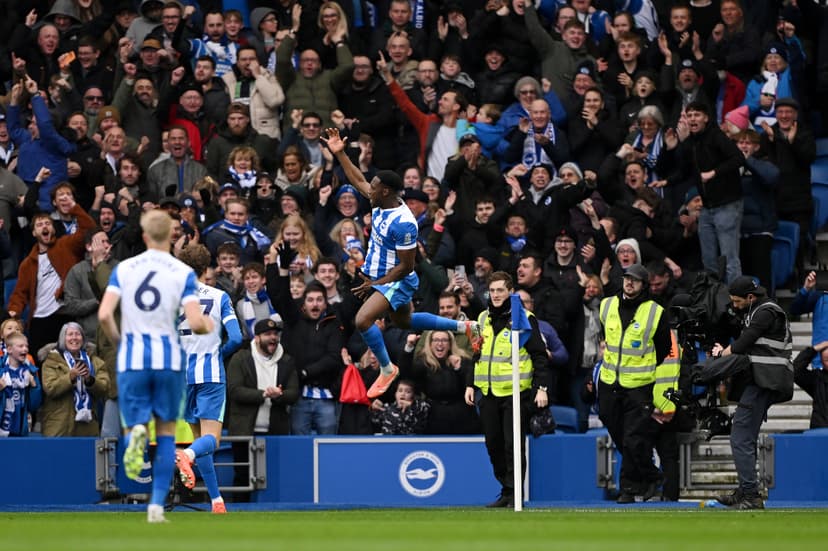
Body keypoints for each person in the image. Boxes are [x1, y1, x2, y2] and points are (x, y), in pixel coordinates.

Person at [322, 128, 481, 400]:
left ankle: (387, 368)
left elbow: (407, 266)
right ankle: (464, 327)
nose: (367, 189)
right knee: (405, 321)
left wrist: (375, 283)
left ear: (385, 191)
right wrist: (340, 154)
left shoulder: (404, 222)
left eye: (373, 187)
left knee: (363, 320)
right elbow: (359, 179)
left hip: (396, 279)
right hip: (382, 276)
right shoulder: (379, 200)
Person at [97, 209, 214, 524]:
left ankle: (135, 431)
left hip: (133, 357)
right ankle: (156, 507)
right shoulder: (182, 272)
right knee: (165, 435)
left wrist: (121, 342)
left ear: (145, 236)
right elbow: (194, 321)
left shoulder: (125, 269)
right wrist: (207, 325)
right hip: (168, 360)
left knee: (136, 424)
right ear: (171, 236)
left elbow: (105, 314)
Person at [465, 271, 549, 507]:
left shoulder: (525, 318)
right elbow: (476, 352)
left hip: (515, 392)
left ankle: (515, 494)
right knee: (493, 444)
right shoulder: (482, 318)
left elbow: (539, 356)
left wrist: (541, 388)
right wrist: (470, 384)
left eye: (500, 290)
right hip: (488, 392)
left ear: (511, 292)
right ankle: (506, 488)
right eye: (492, 291)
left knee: (513, 445)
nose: (496, 295)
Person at [712, 276, 793, 510]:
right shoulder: (755, 310)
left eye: (737, 301)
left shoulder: (766, 312)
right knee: (744, 435)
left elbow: (743, 343)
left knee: (740, 436)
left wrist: (721, 354)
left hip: (766, 381)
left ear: (750, 297)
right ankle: (746, 489)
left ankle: (750, 494)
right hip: (761, 380)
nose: (734, 305)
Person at [173, 244, 243, 514]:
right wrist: (218, 352)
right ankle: (186, 454)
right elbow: (236, 338)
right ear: (206, 269)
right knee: (210, 441)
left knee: (200, 440)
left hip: (182, 379)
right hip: (210, 374)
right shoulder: (219, 296)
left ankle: (216, 501)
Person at [598, 263, 673, 503]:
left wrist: (643, 366)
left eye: (635, 280)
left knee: (632, 438)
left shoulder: (655, 311)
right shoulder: (606, 304)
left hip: (639, 385)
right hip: (609, 381)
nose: (629, 283)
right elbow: (605, 335)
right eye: (627, 278)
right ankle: (651, 477)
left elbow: (663, 348)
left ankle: (628, 489)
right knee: (619, 435)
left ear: (644, 285)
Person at [227, 317, 299, 494]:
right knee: (242, 476)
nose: (273, 338)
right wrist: (263, 394)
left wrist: (279, 395)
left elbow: (294, 393)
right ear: (257, 337)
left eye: (275, 334)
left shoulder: (287, 361)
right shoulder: (240, 358)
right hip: (244, 430)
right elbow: (234, 391)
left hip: (275, 429)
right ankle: (238, 515)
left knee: (274, 477)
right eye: (267, 334)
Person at [39, 322, 110, 437]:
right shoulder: (51, 361)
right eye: (70, 334)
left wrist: (89, 379)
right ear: (63, 339)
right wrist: (70, 377)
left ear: (83, 338)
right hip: (59, 425)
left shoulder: (95, 361)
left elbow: (105, 387)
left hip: (88, 426)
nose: (74, 338)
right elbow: (50, 388)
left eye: (78, 334)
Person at [0, 332, 42, 437]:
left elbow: (34, 406)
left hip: (20, 428)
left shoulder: (30, 372)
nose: (25, 349)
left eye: (26, 346)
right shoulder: (1, 371)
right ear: (9, 349)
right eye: (20, 346)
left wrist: (34, 387)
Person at [793, 341, 828, 429]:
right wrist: (814, 349)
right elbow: (795, 370)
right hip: (821, 431)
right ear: (822, 362)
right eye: (827, 360)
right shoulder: (816, 378)